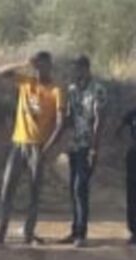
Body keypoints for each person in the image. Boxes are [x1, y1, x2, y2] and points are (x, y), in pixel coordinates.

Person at [0, 52, 64, 246]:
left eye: (42, 66)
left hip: (38, 146)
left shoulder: (55, 90)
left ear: (50, 66)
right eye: (36, 66)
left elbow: (60, 122)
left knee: (34, 191)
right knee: (7, 188)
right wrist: (23, 63)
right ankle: (1, 232)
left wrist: (48, 147)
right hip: (19, 142)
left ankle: (28, 233)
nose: (39, 70)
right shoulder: (26, 82)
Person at [58, 55, 107, 248]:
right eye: (74, 68)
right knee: (73, 188)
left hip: (87, 144)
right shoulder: (72, 90)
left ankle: (82, 233)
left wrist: (94, 148)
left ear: (87, 68)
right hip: (73, 145)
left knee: (81, 188)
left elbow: (99, 120)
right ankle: (75, 230)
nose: (77, 72)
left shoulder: (98, 89)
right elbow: (69, 117)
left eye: (79, 68)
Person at [118, 107, 136, 245]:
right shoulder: (132, 112)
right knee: (132, 195)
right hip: (134, 156)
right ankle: (134, 231)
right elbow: (119, 130)